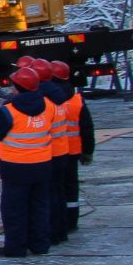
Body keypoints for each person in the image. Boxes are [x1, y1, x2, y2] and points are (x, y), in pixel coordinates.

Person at [0, 66, 55, 257]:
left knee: (14, 209)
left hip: (15, 167)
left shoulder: (9, 111)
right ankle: (40, 244)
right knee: (39, 206)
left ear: (18, 87)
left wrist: (1, 106)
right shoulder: (48, 106)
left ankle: (15, 247)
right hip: (42, 164)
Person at [40, 59, 94, 241]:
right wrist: (88, 151)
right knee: (71, 188)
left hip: (54, 152)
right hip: (73, 151)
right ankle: (71, 221)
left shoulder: (46, 100)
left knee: (54, 189)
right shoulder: (76, 100)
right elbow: (87, 128)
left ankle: (56, 223)